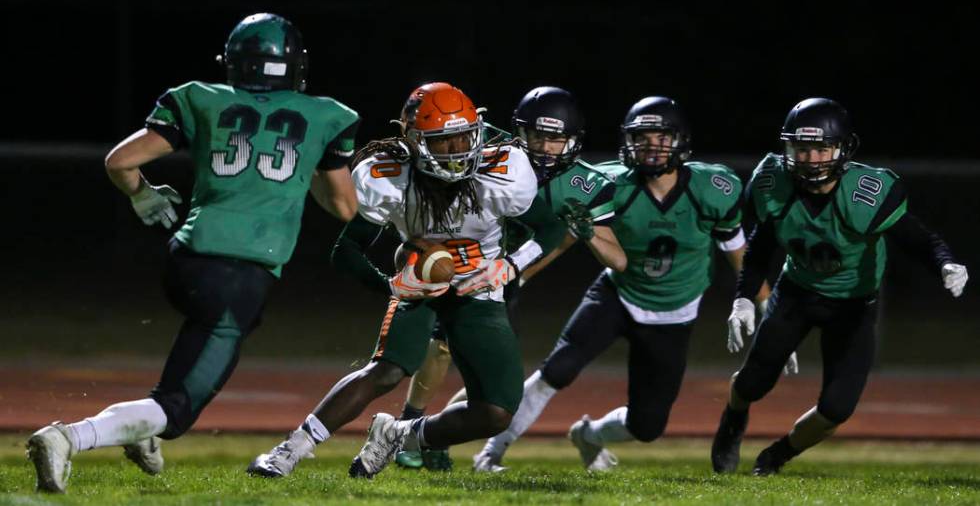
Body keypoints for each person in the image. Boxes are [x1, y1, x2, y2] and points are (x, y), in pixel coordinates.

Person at [26, 13, 359, 494]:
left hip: (186, 260)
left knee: (187, 361)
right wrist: (304, 168)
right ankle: (68, 436)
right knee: (177, 408)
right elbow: (344, 207)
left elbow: (120, 162)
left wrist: (142, 195)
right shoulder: (328, 115)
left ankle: (140, 429)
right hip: (241, 276)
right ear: (294, 65)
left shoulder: (200, 97)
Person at [247, 82, 617, 479]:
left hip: (479, 288)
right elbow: (347, 250)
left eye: (465, 137)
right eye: (444, 141)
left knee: (496, 412)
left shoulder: (504, 168)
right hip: (422, 284)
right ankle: (290, 450)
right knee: (387, 369)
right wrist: (390, 286)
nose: (458, 150)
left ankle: (400, 435)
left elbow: (546, 228)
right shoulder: (389, 173)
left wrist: (509, 266)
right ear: (415, 140)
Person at [473, 96, 784, 472]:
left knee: (647, 426)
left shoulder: (711, 187)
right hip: (618, 293)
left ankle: (589, 435)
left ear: (680, 141)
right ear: (627, 141)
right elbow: (563, 237)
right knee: (557, 370)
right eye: (642, 138)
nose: (651, 147)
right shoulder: (609, 183)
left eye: (660, 137)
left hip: (675, 312)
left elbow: (736, 248)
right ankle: (490, 453)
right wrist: (517, 277)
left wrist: (763, 303)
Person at [711, 97, 969, 476]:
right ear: (788, 149)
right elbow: (761, 247)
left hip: (853, 306)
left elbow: (916, 237)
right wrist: (744, 299)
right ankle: (733, 420)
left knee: (837, 409)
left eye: (821, 148)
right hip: (796, 294)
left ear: (842, 150)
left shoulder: (864, 192)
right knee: (752, 383)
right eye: (802, 149)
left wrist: (944, 261)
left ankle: (776, 455)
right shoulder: (772, 184)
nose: (811, 158)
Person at [392, 86, 626, 471]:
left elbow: (610, 257)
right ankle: (408, 422)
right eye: (538, 136)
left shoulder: (587, 184)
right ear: (520, 132)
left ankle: (432, 434)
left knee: (492, 378)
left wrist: (530, 267)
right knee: (442, 347)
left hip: (507, 274)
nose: (546, 147)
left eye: (556, 138)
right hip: (459, 261)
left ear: (573, 141)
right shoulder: (488, 148)